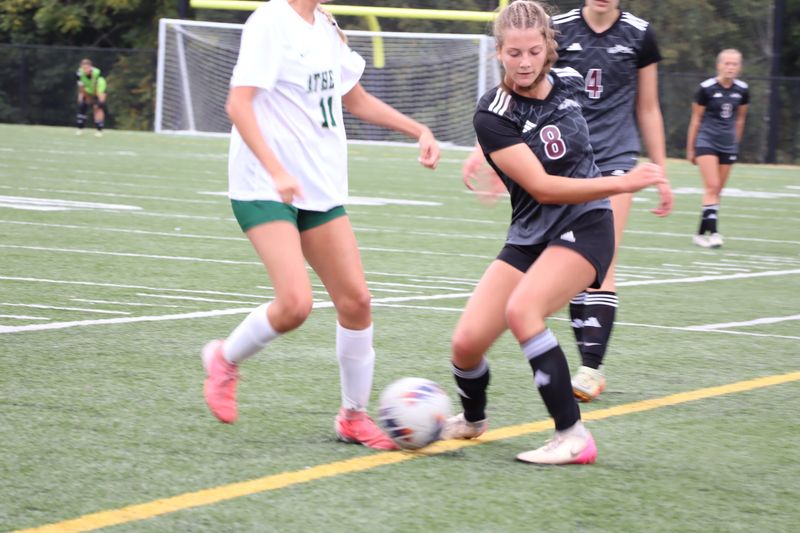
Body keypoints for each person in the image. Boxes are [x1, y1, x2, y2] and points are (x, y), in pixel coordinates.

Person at [201, 0, 440, 451]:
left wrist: (418, 129)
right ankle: (224, 359)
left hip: (319, 187)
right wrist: (275, 169)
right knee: (294, 304)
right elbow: (239, 103)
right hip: (263, 186)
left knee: (356, 302)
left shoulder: (325, 28)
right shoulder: (271, 21)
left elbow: (355, 98)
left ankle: (353, 416)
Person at [441, 0, 667, 465]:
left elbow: (624, 106)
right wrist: (625, 181)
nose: (524, 63)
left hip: (587, 223)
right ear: (498, 53)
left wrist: (630, 174)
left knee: (524, 311)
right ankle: (473, 420)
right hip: (531, 231)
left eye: (533, 51)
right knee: (465, 345)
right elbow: (542, 189)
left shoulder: (567, 81)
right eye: (514, 53)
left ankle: (572, 435)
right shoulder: (493, 114)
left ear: (548, 48)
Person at [686, 49, 749, 249]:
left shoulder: (743, 90)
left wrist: (735, 144)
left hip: (728, 144)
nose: (730, 67)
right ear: (719, 65)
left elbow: (740, 119)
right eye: (727, 63)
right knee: (712, 186)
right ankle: (713, 233)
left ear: (739, 67)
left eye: (734, 64)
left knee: (717, 191)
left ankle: (699, 234)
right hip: (707, 142)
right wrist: (691, 148)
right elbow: (695, 120)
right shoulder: (706, 89)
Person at [75, 58, 107, 137]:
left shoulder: (96, 73)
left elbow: (96, 86)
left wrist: (96, 98)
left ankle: (99, 129)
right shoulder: (79, 73)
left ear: (90, 67)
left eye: (87, 68)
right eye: (83, 68)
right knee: (82, 105)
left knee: (98, 106)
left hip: (98, 87)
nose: (85, 70)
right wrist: (84, 96)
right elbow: (81, 87)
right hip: (88, 88)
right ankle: (80, 128)